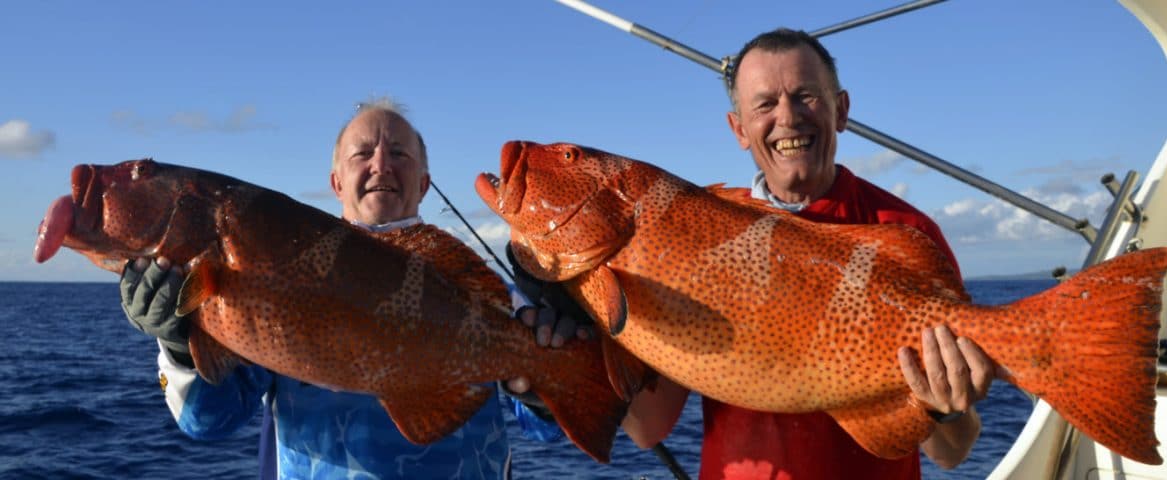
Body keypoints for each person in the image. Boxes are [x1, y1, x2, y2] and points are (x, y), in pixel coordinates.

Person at [521, 29, 999, 479]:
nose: (788, 117)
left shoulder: (905, 232)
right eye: (765, 104)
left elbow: (953, 451)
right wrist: (579, 348)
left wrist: (946, 405)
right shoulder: (693, 239)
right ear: (739, 129)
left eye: (805, 95)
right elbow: (649, 428)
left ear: (842, 109)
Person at [119, 100, 560, 480]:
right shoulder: (274, 275)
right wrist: (179, 344)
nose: (381, 165)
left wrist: (542, 385)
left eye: (400, 153)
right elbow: (209, 421)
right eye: (362, 153)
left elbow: (546, 426)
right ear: (335, 182)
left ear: (424, 184)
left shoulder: (483, 292)